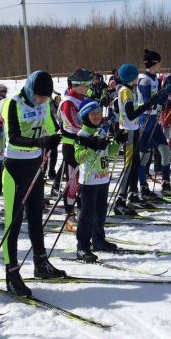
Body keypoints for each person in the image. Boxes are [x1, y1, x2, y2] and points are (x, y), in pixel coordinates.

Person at [1, 70, 64, 297]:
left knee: (36, 217)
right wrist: (39, 141)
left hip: (36, 166)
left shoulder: (45, 104)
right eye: (39, 96)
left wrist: (57, 138)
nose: (42, 101)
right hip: (15, 168)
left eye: (45, 97)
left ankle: (41, 262)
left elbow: (51, 126)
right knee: (14, 223)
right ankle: (12, 274)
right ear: (29, 89)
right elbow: (14, 137)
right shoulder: (13, 104)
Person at [74, 98, 126, 261]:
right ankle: (82, 246)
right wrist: (92, 147)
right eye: (92, 114)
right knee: (87, 215)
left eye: (98, 113)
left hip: (103, 178)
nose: (96, 116)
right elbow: (78, 157)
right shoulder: (82, 134)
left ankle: (98, 240)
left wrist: (117, 143)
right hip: (89, 180)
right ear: (85, 116)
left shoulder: (101, 130)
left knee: (101, 212)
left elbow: (108, 152)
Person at [114, 62, 159, 216]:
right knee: (129, 166)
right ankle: (120, 200)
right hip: (129, 132)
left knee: (136, 163)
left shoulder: (126, 90)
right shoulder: (126, 91)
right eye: (135, 75)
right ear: (131, 77)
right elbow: (131, 113)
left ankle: (133, 194)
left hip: (133, 130)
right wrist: (147, 105)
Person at [136, 49, 171, 197]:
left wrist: (168, 94)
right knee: (144, 156)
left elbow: (160, 101)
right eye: (159, 62)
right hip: (144, 120)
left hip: (154, 120)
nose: (161, 64)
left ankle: (166, 183)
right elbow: (149, 103)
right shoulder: (144, 80)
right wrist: (163, 94)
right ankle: (143, 186)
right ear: (154, 63)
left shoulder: (155, 79)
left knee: (166, 151)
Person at [59, 69, 93, 230]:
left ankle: (81, 210)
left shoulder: (83, 98)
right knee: (73, 181)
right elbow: (73, 123)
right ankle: (69, 214)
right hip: (71, 145)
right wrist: (92, 129)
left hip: (84, 143)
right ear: (78, 84)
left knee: (84, 179)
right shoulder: (68, 101)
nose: (88, 87)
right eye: (86, 84)